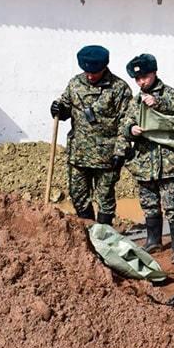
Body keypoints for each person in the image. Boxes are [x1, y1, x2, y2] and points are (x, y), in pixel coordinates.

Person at [50, 45, 132, 224]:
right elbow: (65, 107)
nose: (89, 76)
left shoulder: (119, 89)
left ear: (104, 68)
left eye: (94, 72)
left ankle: (104, 236)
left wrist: (120, 150)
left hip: (107, 156)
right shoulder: (75, 84)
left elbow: (126, 123)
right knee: (78, 195)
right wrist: (59, 109)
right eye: (86, 71)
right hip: (78, 153)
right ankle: (87, 232)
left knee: (105, 199)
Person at [122, 54, 174, 263]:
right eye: (138, 79)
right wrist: (130, 129)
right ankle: (154, 240)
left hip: (167, 162)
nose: (141, 82)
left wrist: (159, 102)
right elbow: (125, 124)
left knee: (172, 205)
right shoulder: (135, 101)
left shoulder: (169, 93)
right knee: (149, 203)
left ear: (154, 73)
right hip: (144, 161)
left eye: (145, 77)